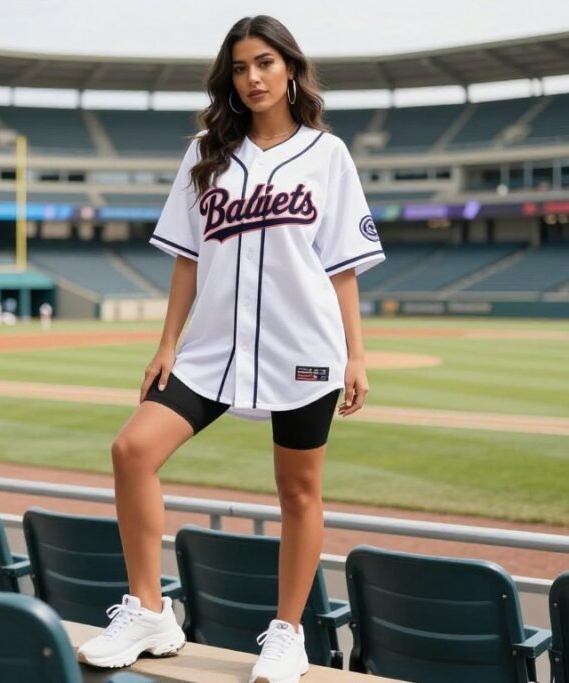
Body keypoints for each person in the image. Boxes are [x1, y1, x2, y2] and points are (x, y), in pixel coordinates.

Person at [76, 15, 384, 683]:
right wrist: (167, 343)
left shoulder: (327, 155)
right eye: (241, 66)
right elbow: (186, 259)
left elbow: (343, 266)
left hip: (303, 345)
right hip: (211, 349)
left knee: (298, 491)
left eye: (266, 63)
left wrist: (356, 354)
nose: (253, 78)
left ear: (291, 68)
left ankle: (288, 633)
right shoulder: (206, 151)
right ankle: (150, 609)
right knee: (132, 450)